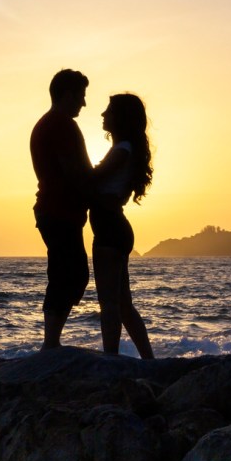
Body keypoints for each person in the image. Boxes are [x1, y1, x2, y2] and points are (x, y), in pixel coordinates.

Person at [30, 69, 92, 350]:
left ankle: (52, 341)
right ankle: (51, 343)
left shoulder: (49, 124)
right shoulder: (61, 125)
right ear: (67, 95)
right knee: (67, 274)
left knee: (70, 273)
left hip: (57, 211)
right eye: (81, 96)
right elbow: (74, 171)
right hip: (58, 212)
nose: (84, 103)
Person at [90, 93, 155, 358]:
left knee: (109, 303)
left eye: (109, 110)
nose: (103, 114)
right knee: (123, 305)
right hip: (115, 228)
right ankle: (149, 360)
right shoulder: (125, 148)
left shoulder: (122, 150)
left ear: (121, 117)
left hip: (109, 229)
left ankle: (110, 360)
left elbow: (93, 180)